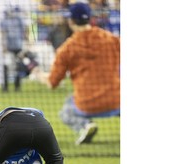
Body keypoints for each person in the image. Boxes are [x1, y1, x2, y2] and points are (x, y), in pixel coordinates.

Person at [36, 2, 120, 145]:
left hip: (86, 103)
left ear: (71, 21)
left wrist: (38, 74)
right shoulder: (111, 39)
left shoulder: (67, 49)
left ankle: (85, 125)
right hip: (115, 100)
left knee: (65, 111)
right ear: (90, 18)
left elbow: (52, 83)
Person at [0, 7, 26, 92]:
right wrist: (3, 46)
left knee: (18, 67)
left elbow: (24, 32)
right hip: (8, 48)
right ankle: (5, 87)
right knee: (6, 67)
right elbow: (3, 33)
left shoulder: (19, 20)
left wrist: (24, 45)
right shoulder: (4, 20)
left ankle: (17, 86)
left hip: (18, 47)